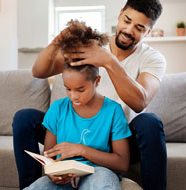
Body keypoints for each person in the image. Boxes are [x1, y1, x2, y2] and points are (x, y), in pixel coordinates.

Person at [13, 0, 167, 189]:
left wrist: (108, 61)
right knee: (24, 118)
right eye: (127, 20)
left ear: (148, 31)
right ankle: (36, 184)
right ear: (120, 14)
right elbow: (39, 71)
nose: (128, 30)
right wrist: (58, 41)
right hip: (76, 129)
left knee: (150, 122)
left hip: (118, 136)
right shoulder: (92, 46)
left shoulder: (153, 59)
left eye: (139, 27)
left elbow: (139, 102)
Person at [24, 22, 131, 190]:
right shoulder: (58, 109)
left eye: (80, 89)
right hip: (65, 176)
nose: (73, 96)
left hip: (99, 172)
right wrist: (52, 172)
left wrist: (81, 150)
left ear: (97, 81)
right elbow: (49, 156)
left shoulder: (112, 111)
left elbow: (122, 163)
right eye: (68, 88)